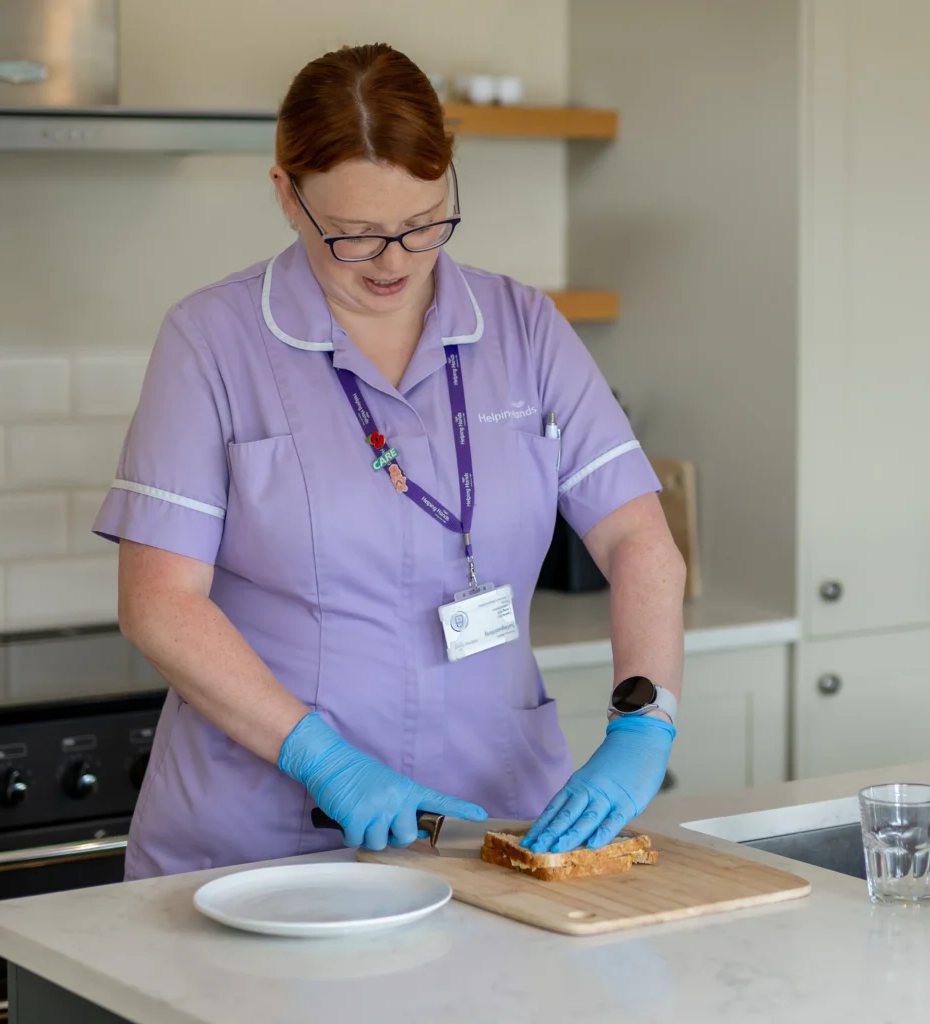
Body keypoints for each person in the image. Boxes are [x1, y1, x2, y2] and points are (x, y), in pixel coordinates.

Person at [93, 42, 686, 880]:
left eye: (423, 223)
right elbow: (159, 604)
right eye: (357, 237)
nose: (397, 262)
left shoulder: (523, 327)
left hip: (498, 819)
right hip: (266, 834)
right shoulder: (212, 341)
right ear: (287, 198)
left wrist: (645, 720)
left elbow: (638, 538)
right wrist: (322, 759)